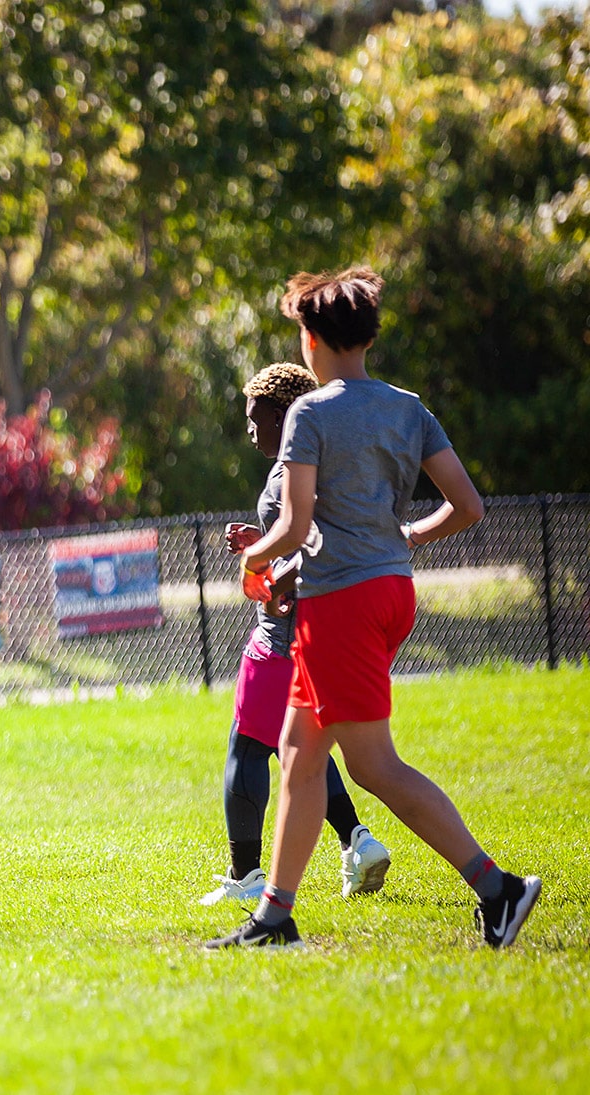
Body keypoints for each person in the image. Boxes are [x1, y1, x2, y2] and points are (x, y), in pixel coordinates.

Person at [207, 267, 541, 950]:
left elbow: (296, 528)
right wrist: (410, 536)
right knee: (300, 756)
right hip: (389, 593)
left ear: (313, 337)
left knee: (371, 765)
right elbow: (468, 505)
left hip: (342, 603)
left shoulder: (311, 413)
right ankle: (274, 915)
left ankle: (498, 888)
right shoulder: (406, 406)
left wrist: (252, 558)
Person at [202, 362, 390, 907]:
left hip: (282, 638)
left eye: (254, 417)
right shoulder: (313, 463)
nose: (249, 429)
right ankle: (359, 842)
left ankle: (246, 877)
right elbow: (307, 534)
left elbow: (313, 542)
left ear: (283, 413)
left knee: (246, 749)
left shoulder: (290, 471)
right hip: (320, 634)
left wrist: (278, 575)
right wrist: (261, 543)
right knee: (301, 751)